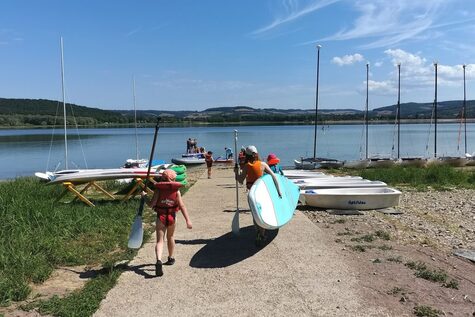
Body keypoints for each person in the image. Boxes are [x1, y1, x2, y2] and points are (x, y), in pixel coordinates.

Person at [144, 169, 192, 277]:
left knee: (160, 240)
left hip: (160, 217)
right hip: (172, 217)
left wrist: (144, 196)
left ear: (162, 178)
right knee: (171, 237)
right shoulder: (176, 191)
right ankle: (170, 258)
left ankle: (159, 260)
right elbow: (182, 206)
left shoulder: (158, 190)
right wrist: (188, 220)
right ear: (173, 178)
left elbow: (151, 205)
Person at [234, 145, 282, 247]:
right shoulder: (263, 164)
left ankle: (258, 233)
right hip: (262, 193)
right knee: (262, 213)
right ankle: (262, 234)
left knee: (255, 215)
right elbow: (274, 176)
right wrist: (279, 191)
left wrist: (236, 173)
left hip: (251, 194)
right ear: (256, 154)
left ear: (246, 155)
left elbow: (240, 181)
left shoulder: (246, 166)